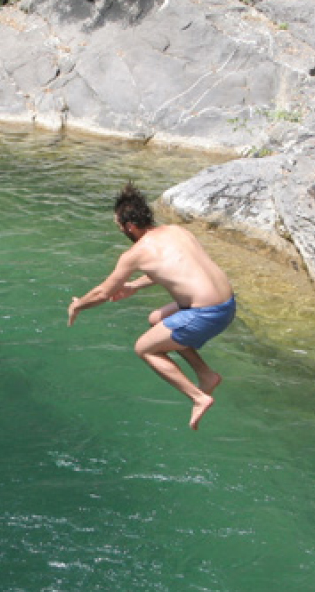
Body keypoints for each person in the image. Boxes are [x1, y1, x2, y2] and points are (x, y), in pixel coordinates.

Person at [67, 183, 236, 430]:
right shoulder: (177, 231)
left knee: (145, 348)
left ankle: (199, 397)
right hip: (227, 304)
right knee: (156, 319)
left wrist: (78, 306)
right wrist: (134, 286)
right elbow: (174, 267)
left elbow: (104, 292)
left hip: (205, 314)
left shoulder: (136, 253)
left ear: (130, 226)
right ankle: (206, 375)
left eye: (119, 226)